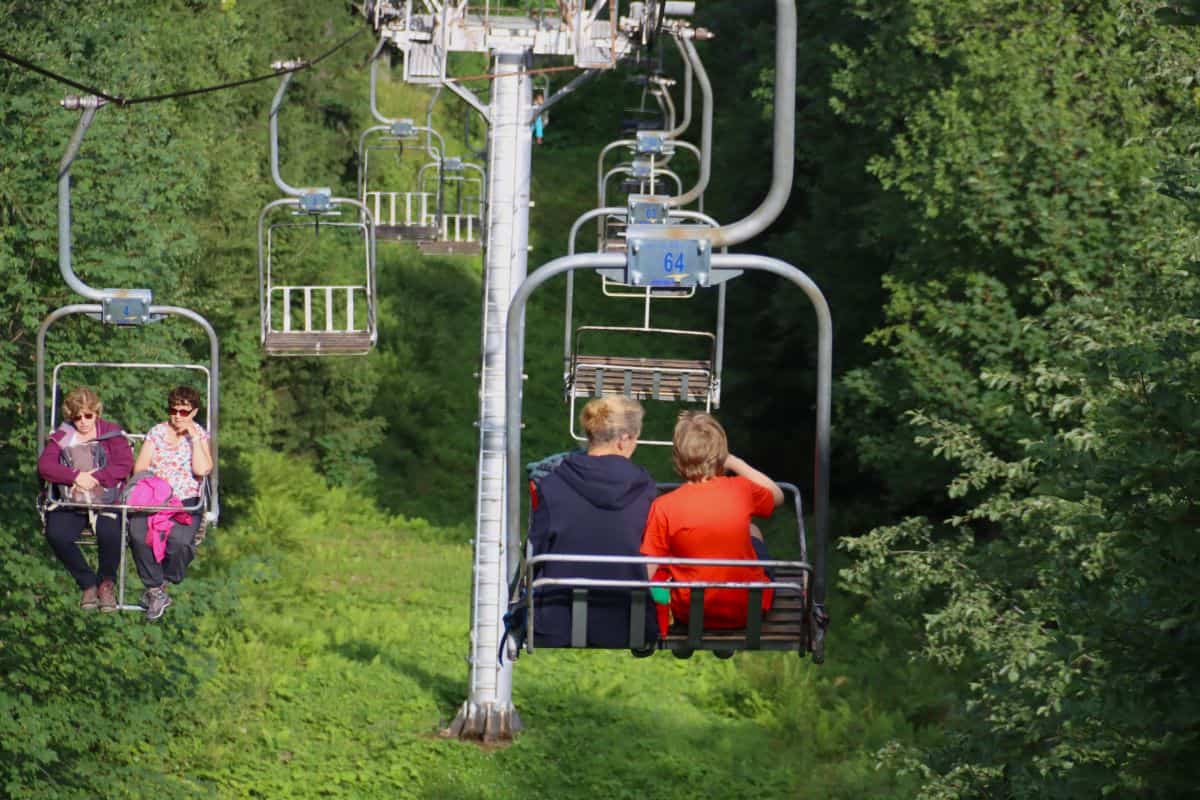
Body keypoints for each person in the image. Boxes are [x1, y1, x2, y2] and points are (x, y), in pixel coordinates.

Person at [528, 396, 658, 648]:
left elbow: (535, 550)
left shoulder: (553, 482)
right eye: (635, 437)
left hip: (557, 619)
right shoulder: (644, 487)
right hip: (628, 620)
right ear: (623, 439)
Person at [640, 412, 784, 631]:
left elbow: (648, 570)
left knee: (668, 550)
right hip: (749, 608)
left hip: (692, 612)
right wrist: (734, 461)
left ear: (678, 458)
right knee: (752, 530)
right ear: (721, 454)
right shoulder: (741, 490)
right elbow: (777, 496)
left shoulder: (664, 506)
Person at [37, 387, 134, 611]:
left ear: (96, 413)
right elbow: (45, 465)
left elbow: (123, 464)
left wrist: (97, 478)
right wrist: (75, 476)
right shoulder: (64, 435)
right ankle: (87, 582)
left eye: (88, 415)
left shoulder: (111, 433)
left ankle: (106, 584)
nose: (83, 421)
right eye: (77, 417)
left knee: (111, 533)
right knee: (57, 534)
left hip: (105, 499)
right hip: (72, 500)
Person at [127, 386, 213, 621]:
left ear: (193, 412)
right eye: (173, 410)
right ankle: (154, 589)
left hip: (185, 499)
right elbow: (141, 467)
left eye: (183, 412)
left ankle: (163, 582)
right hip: (156, 496)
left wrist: (194, 437)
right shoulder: (157, 432)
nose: (177, 416)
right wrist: (154, 486)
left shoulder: (199, 435)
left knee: (180, 542)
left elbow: (202, 469)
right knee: (138, 535)